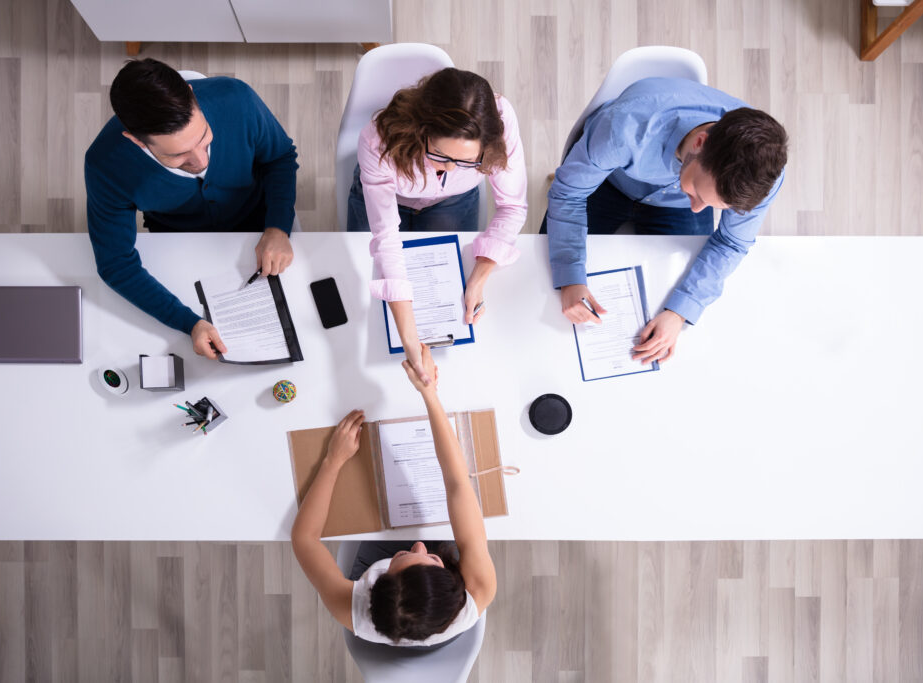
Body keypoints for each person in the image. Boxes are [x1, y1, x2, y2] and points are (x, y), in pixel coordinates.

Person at [546, 77, 788, 365]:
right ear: (700, 143)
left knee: (670, 297)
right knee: (546, 284)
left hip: (673, 205)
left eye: (712, 205)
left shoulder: (759, 176)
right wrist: (571, 276)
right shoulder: (623, 129)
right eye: (698, 192)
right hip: (608, 183)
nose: (698, 210)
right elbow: (569, 194)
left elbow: (731, 243)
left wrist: (678, 313)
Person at [85, 58, 298, 359]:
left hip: (262, 219)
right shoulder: (105, 165)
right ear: (136, 141)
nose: (201, 162)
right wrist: (189, 323)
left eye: (203, 138)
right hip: (176, 238)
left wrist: (277, 227)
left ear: (192, 96)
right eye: (179, 156)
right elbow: (116, 264)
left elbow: (280, 158)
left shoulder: (237, 99)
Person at [291, 345, 497, 648]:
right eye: (431, 557)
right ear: (454, 583)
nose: (420, 544)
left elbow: (304, 539)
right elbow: (458, 483)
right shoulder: (478, 591)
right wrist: (429, 393)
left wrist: (332, 461)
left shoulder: (352, 609)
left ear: (372, 588)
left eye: (401, 557)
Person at [348, 67, 527, 384]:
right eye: (440, 155)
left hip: (454, 201)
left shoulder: (501, 119)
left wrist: (479, 278)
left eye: (467, 161)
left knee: (453, 274)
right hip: (388, 195)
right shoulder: (376, 141)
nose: (448, 169)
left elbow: (512, 206)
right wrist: (410, 341)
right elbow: (387, 238)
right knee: (364, 285)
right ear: (421, 128)